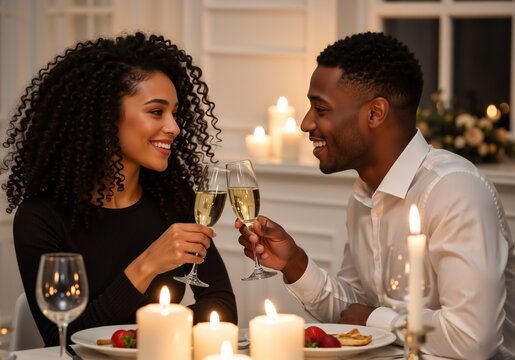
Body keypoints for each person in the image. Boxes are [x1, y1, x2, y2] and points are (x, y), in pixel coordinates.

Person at [236, 32, 515, 359]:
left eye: (320, 109)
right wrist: (294, 263)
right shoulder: (363, 195)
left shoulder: (453, 190)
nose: (305, 123)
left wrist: (374, 318)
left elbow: (473, 339)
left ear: (375, 113)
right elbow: (351, 311)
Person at [1, 32, 237, 346]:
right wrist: (148, 263)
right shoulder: (40, 218)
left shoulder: (173, 198)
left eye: (175, 113)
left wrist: (143, 337)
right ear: (105, 116)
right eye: (156, 112)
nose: (175, 127)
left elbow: (221, 307)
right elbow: (64, 338)